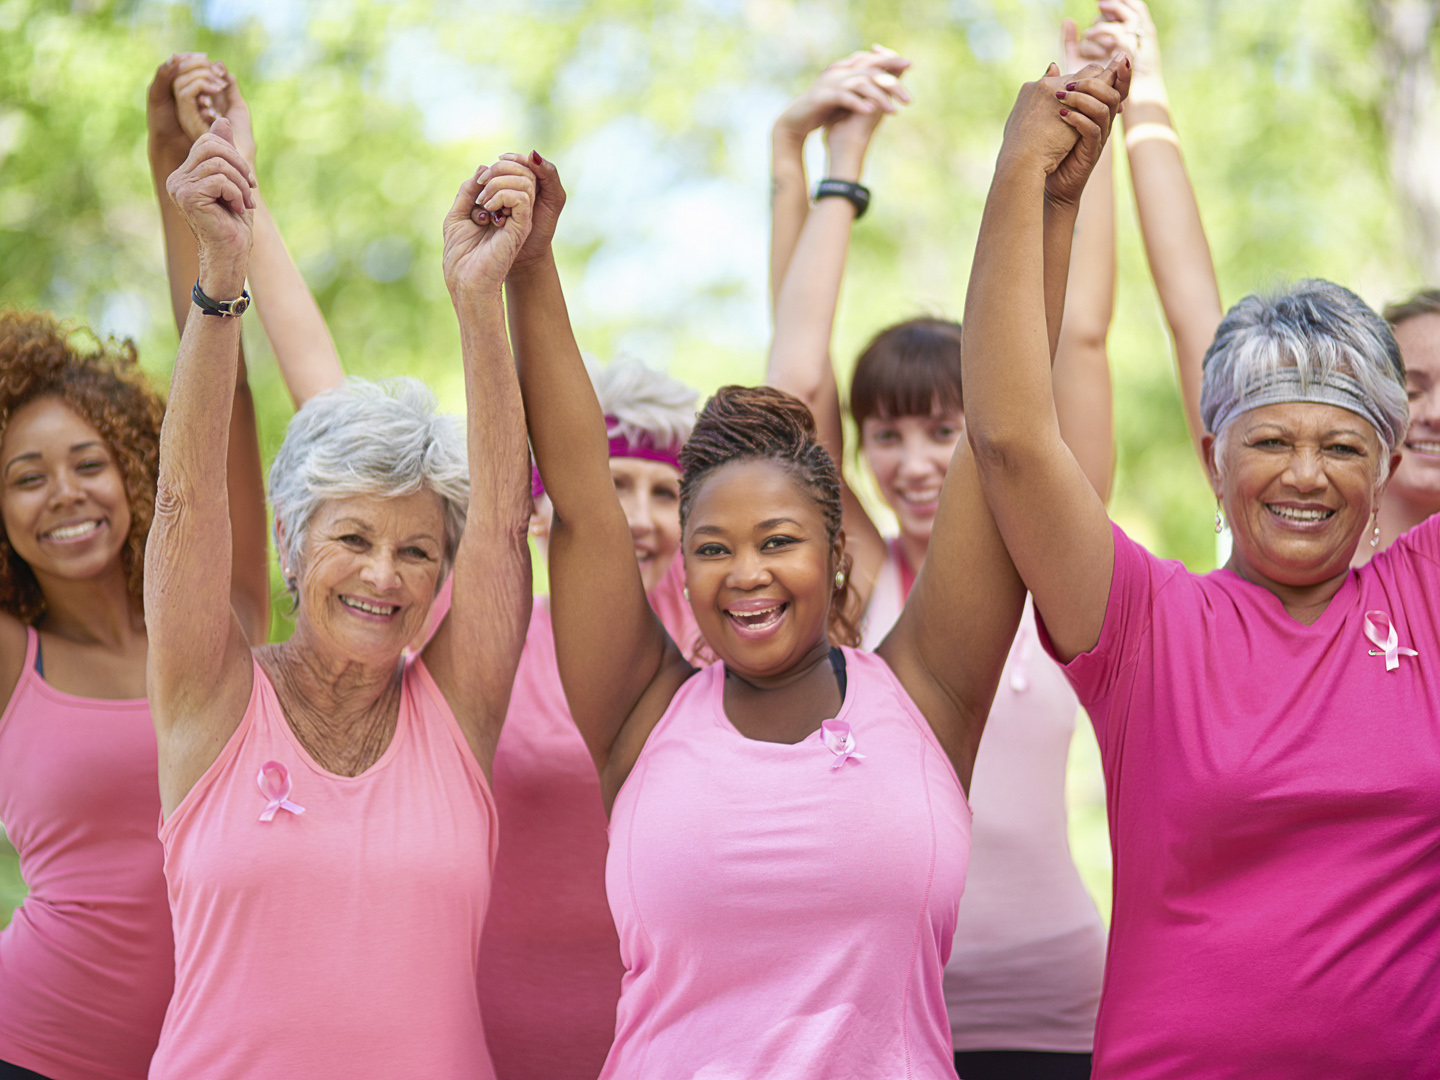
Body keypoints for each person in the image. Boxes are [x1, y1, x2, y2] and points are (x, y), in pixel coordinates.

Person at [499, 57, 1123, 1077]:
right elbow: (579, 502)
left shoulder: (926, 694)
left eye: (777, 542)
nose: (743, 574)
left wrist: (1038, 191)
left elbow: (1002, 431)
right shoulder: (639, 710)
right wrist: (533, 269)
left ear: (840, 556)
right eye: (713, 549)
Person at [963, 49, 1440, 1079]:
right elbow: (1009, 437)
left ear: (1390, 462)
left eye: (1343, 444)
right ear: (1212, 458)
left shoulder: (1426, 597)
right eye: (1269, 441)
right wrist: (1027, 183)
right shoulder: (1143, 624)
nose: (1305, 474)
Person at [143, 120, 533, 1077]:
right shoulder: (210, 698)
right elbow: (185, 500)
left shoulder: (456, 711)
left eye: (414, 551)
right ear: (289, 543)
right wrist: (220, 277)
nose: (382, 575)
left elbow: (499, 529)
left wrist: (479, 301)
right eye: (352, 539)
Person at [766, 36, 1113, 1080]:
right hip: (893, 1007)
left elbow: (1079, 340)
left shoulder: (1061, 553)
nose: (914, 463)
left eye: (944, 429)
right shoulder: (859, 573)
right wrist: (821, 168)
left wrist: (1083, 152)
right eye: (888, 435)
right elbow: (794, 385)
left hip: (1063, 1005)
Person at [0, 64, 273, 1080]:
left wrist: (180, 170)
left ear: (138, 474)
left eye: (88, 464)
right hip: (32, 1049)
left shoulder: (227, 615)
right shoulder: (13, 660)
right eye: (25, 477)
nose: (63, 495)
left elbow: (227, 395)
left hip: (225, 1055)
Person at [1080, 0, 1440, 561]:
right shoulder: (1279, 508)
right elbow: (1190, 301)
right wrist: (1144, 92)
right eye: (1414, 388)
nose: (1434, 412)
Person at [478, 354, 700, 1080]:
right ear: (546, 505)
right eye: (613, 486)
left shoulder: (715, 642)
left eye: (665, 493)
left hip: (678, 1037)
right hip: (502, 1027)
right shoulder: (486, 630)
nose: (637, 518)